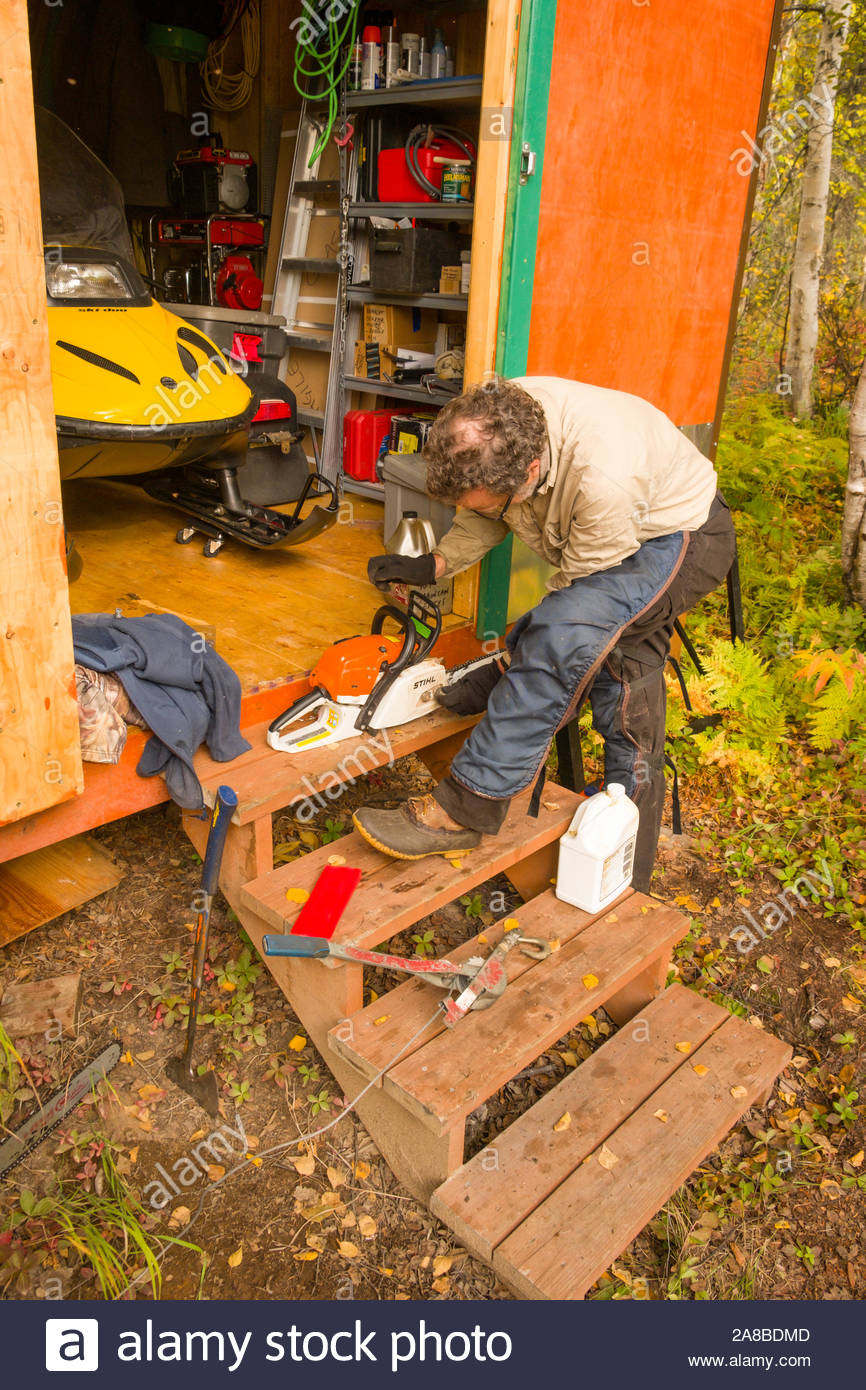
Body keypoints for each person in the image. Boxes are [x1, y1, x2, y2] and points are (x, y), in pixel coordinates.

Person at [354, 376, 736, 892]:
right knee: (624, 672)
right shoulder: (494, 425)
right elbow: (492, 510)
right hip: (616, 537)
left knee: (562, 645)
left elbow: (574, 614)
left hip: (676, 537)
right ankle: (628, 869)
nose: (487, 508)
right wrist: (436, 564)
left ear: (531, 470)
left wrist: (517, 663)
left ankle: (466, 806)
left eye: (491, 500)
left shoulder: (605, 476)